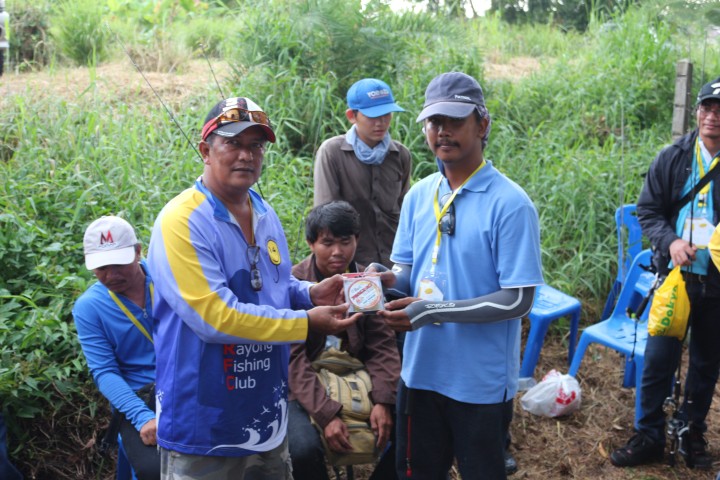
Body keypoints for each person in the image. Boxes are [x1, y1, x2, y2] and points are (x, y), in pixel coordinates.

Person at [147, 96, 360, 480]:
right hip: (205, 424)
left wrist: (309, 293)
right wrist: (306, 321)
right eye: (233, 142)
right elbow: (214, 317)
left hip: (265, 417)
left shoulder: (264, 212)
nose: (246, 155)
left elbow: (273, 286)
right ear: (205, 151)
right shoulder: (181, 221)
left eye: (256, 145)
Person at [376, 72, 543, 480]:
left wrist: (434, 311)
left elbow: (519, 299)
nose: (442, 131)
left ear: (482, 124)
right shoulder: (420, 194)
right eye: (434, 122)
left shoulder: (510, 204)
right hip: (420, 374)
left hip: (479, 386)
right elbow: (408, 272)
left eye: (454, 121)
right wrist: (383, 280)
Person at [610, 76, 720, 470]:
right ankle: (649, 435)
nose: (713, 116)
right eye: (707, 107)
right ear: (697, 113)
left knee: (706, 364)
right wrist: (671, 242)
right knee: (658, 360)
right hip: (674, 280)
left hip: (717, 284)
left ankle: (691, 433)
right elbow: (648, 211)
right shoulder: (673, 157)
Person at [288, 201, 401, 480]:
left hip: (355, 378)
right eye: (327, 242)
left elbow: (382, 345)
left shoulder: (365, 282)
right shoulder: (294, 283)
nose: (338, 251)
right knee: (301, 449)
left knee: (415, 433)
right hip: (302, 386)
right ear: (311, 243)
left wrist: (383, 401)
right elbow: (292, 358)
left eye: (345, 241)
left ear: (357, 240)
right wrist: (326, 414)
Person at [72, 216, 159, 480]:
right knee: (153, 470)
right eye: (101, 268)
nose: (111, 275)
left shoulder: (170, 280)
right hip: (140, 397)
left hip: (189, 387)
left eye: (119, 264)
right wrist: (141, 416)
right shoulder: (90, 307)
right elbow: (105, 372)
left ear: (137, 251)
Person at [314, 78, 411, 269]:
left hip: (395, 264)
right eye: (373, 116)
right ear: (352, 116)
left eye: (386, 114)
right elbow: (325, 217)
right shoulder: (332, 153)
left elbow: (405, 214)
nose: (381, 123)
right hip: (353, 267)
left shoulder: (400, 155)